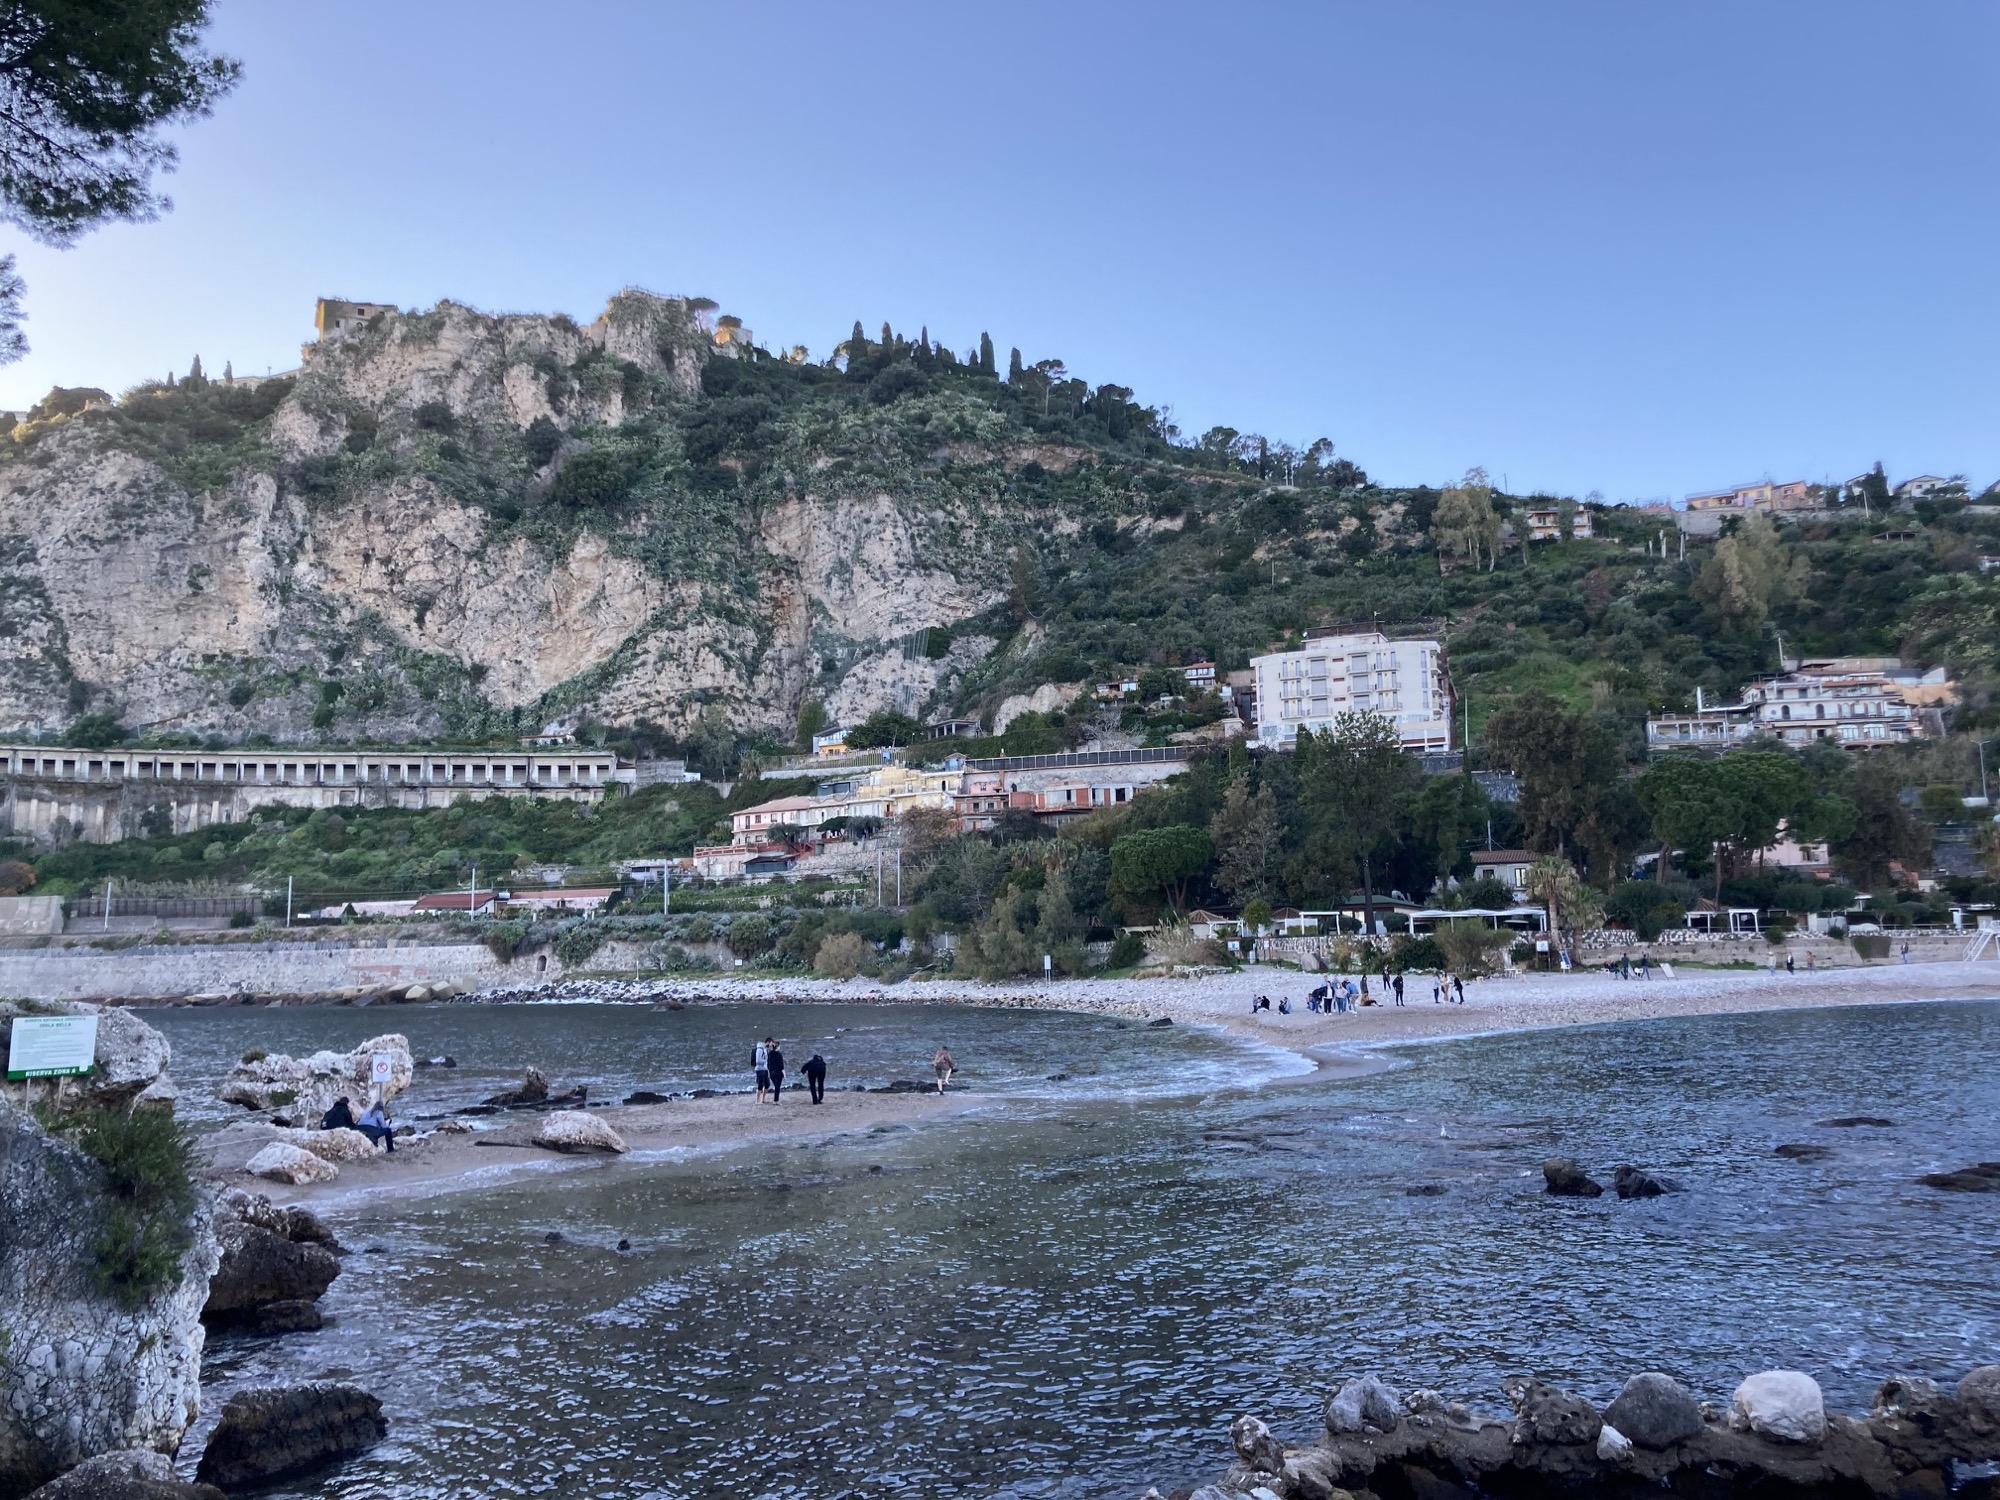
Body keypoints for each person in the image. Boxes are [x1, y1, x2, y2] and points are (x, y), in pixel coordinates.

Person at [754, 1037, 771, 1103]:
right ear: (768, 1042)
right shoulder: (760, 1049)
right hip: (759, 1069)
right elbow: (758, 1060)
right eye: (770, 1043)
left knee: (767, 1084)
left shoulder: (765, 1049)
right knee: (760, 1085)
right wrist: (766, 1060)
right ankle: (757, 1101)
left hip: (765, 1069)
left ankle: (763, 1099)